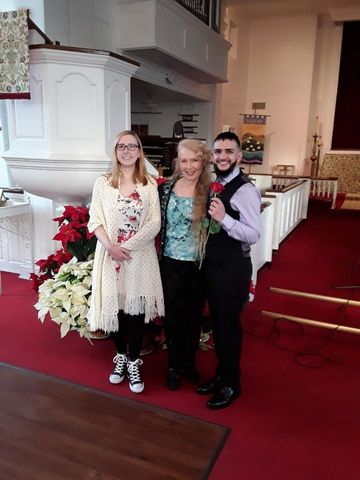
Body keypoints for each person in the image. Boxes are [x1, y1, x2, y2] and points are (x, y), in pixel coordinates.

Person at [87, 130, 164, 394]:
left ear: (140, 151)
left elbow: (155, 223)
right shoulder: (103, 183)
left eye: (132, 146)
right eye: (122, 146)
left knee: (135, 312)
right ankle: (120, 356)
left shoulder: (149, 184)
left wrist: (125, 247)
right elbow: (94, 219)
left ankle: (133, 361)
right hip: (109, 257)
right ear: (116, 151)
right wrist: (110, 246)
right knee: (116, 309)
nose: (127, 150)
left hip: (138, 258)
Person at [196, 131, 261, 409]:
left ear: (239, 156)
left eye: (228, 151)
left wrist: (224, 219)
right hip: (214, 267)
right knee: (219, 328)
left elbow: (253, 234)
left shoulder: (245, 190)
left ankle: (232, 384)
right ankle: (221, 375)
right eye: (218, 151)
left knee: (228, 329)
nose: (222, 156)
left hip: (233, 269)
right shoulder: (217, 183)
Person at [158, 138, 212, 390]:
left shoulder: (210, 192)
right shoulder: (165, 190)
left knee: (193, 318)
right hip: (170, 264)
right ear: (177, 163)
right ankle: (173, 365)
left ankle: (189, 362)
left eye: (194, 160)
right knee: (173, 318)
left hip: (198, 266)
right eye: (184, 160)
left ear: (203, 162)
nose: (189, 166)